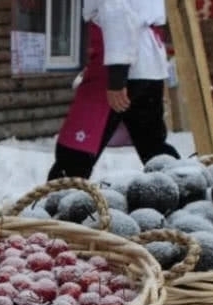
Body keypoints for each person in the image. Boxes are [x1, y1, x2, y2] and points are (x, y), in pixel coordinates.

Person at [47, 0, 181, 181]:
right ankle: (184, 189)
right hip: (148, 64)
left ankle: (63, 200)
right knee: (153, 145)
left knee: (75, 151)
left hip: (119, 63)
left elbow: (117, 14)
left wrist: (117, 77)